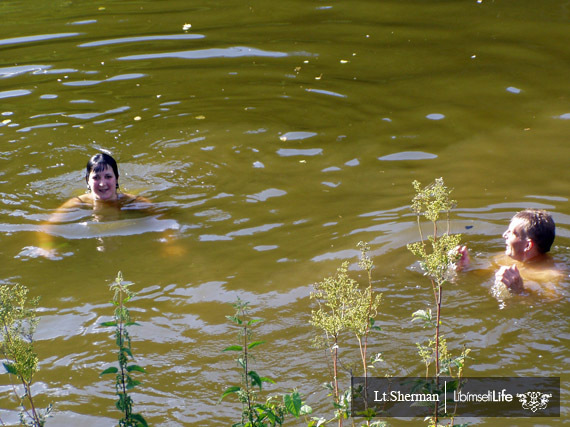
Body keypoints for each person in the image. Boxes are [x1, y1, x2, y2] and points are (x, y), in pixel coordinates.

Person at [457, 209, 561, 295]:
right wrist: (465, 266)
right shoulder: (503, 259)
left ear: (527, 245)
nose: (504, 235)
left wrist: (520, 291)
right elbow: (481, 274)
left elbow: (550, 308)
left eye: (512, 233)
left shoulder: (552, 276)